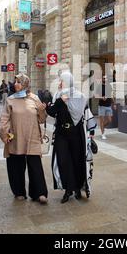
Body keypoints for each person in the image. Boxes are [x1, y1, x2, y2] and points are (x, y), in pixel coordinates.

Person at [46, 71, 97, 203]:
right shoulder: (58, 96)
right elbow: (51, 112)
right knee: (63, 161)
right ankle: (68, 189)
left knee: (77, 160)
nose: (60, 83)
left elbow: (86, 113)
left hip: (76, 133)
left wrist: (91, 132)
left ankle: (78, 189)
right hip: (62, 133)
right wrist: (59, 101)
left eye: (62, 81)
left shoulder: (80, 96)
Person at [0, 74, 48, 203]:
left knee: (35, 165)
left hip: (32, 137)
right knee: (16, 165)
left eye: (19, 82)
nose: (16, 84)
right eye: (15, 82)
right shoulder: (10, 99)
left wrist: (42, 111)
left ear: (26, 84)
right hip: (16, 137)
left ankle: (39, 193)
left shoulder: (34, 98)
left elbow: (42, 119)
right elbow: (4, 119)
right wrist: (4, 134)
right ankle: (19, 191)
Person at [98, 76, 114, 140]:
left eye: (106, 78)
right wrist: (102, 98)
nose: (105, 79)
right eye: (104, 78)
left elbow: (111, 94)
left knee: (109, 120)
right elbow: (96, 95)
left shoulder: (109, 86)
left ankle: (102, 127)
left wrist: (114, 103)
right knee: (102, 121)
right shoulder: (99, 86)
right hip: (102, 106)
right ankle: (103, 134)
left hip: (109, 105)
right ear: (102, 79)